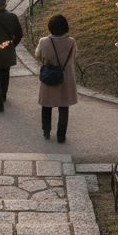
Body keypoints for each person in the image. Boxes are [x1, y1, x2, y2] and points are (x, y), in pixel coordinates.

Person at [35, 14, 78, 142]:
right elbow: (75, 55)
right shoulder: (71, 42)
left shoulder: (43, 41)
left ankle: (46, 131)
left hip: (49, 76)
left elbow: (38, 55)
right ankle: (61, 135)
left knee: (46, 105)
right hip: (66, 77)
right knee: (64, 107)